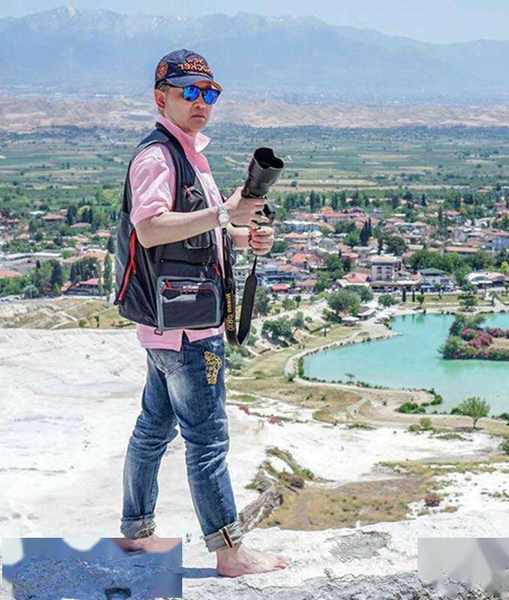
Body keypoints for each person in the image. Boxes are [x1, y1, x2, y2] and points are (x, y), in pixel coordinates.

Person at [115, 49, 290, 577]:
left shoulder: (187, 155)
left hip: (169, 327)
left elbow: (202, 231)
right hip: (189, 332)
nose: (201, 103)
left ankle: (137, 534)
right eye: (188, 92)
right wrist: (222, 213)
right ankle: (230, 553)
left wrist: (243, 235)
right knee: (208, 439)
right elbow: (150, 229)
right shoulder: (158, 156)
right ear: (160, 98)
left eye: (209, 93)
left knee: (152, 430)